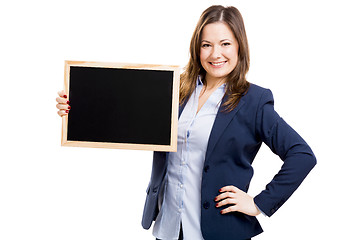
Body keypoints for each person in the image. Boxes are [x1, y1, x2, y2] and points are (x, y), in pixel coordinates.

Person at [56, 5, 316, 240]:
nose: (216, 54)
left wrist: (259, 203)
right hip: (168, 227)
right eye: (206, 45)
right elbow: (120, 114)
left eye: (225, 43)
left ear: (239, 46)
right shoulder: (173, 90)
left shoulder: (254, 100)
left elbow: (302, 154)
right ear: (197, 48)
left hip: (219, 231)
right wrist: (77, 107)